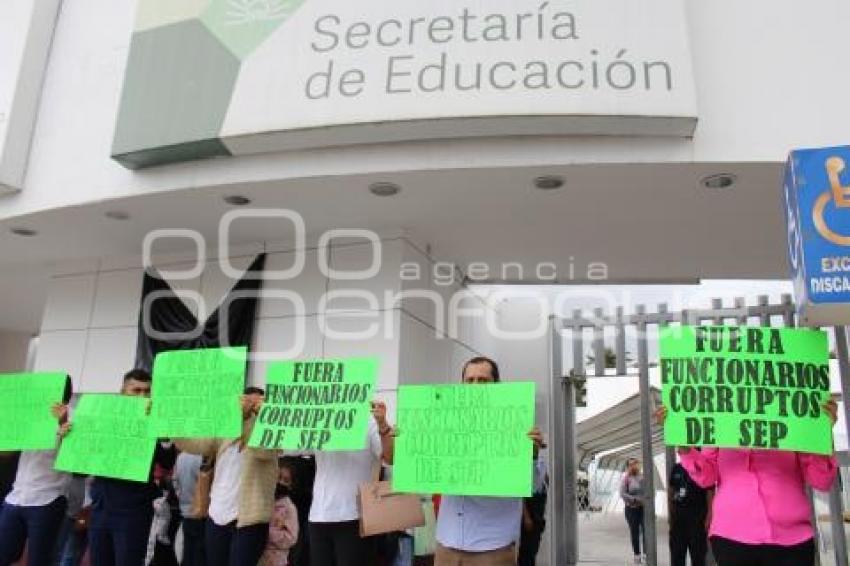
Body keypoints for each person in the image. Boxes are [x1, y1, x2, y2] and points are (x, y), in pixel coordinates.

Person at [656, 402, 839, 566]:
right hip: (732, 538)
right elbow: (707, 477)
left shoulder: (794, 418)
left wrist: (822, 436)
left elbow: (821, 480)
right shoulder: (719, 420)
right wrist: (683, 445)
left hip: (792, 540)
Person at [434, 356, 546, 566]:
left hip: (492, 549)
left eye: (483, 380)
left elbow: (532, 486)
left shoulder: (516, 423)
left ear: (497, 385)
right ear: (462, 385)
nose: (476, 386)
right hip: (446, 545)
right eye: (470, 380)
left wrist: (531, 455)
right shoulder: (442, 421)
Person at [174, 387, 279, 566]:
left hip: (249, 519)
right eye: (246, 401)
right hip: (217, 514)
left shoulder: (271, 431)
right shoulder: (226, 429)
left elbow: (264, 452)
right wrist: (169, 424)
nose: (249, 406)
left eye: (255, 405)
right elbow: (195, 444)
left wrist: (257, 418)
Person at [86, 369, 178, 566]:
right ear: (122, 392)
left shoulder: (156, 423)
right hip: (101, 507)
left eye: (147, 391)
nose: (142, 396)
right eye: (136, 390)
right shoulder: (104, 421)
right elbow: (81, 465)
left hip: (134, 511)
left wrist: (164, 436)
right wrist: (68, 437)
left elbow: (167, 462)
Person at [305, 400, 395, 566]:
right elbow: (283, 446)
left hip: (354, 516)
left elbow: (390, 457)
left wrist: (383, 425)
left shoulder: (369, 420)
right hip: (318, 516)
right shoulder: (318, 418)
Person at [0, 375, 73, 566]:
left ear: (64, 396)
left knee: (39, 560)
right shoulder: (29, 416)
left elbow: (76, 459)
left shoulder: (73, 420)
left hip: (47, 499)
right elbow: (5, 454)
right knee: (4, 554)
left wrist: (62, 424)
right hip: (16, 496)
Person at [668, 459, 708, 566]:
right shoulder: (676, 468)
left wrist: (709, 518)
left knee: (698, 557)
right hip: (678, 519)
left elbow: (710, 492)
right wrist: (670, 516)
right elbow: (671, 491)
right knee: (677, 556)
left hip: (697, 519)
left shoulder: (703, 467)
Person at [260, 460, 299, 566]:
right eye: (278, 477)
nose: (280, 482)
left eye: (286, 480)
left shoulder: (289, 508)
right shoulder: (261, 499)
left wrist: (267, 532)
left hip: (277, 561)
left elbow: (291, 538)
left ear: (291, 485)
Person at [172, 452, 204, 566]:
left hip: (186, 513)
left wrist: (181, 496)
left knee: (187, 554)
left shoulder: (181, 456)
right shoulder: (204, 458)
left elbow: (175, 481)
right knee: (199, 558)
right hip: (201, 515)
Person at [517, 450, 548, 566]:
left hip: (538, 507)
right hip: (529, 506)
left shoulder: (541, 463)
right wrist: (526, 517)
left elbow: (545, 481)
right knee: (526, 548)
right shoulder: (522, 464)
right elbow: (520, 495)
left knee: (534, 544)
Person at [620, 458, 645, 564]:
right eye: (631, 465)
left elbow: (650, 491)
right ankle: (637, 555)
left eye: (635, 464)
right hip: (631, 509)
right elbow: (622, 493)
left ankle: (646, 554)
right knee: (634, 532)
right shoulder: (626, 478)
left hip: (643, 508)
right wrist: (634, 499)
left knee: (646, 531)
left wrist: (645, 500)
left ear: (638, 465)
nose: (633, 466)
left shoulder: (643, 477)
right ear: (628, 467)